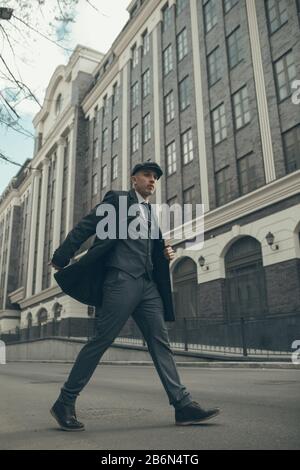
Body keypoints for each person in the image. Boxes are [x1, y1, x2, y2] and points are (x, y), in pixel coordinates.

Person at [49, 161, 220, 431]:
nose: (152, 180)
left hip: (147, 285)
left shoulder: (150, 212)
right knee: (101, 340)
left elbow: (150, 246)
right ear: (134, 180)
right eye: (147, 175)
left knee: (160, 342)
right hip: (121, 279)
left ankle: (182, 405)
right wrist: (62, 255)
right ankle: (65, 401)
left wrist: (164, 253)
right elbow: (86, 226)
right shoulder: (117, 200)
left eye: (155, 177)